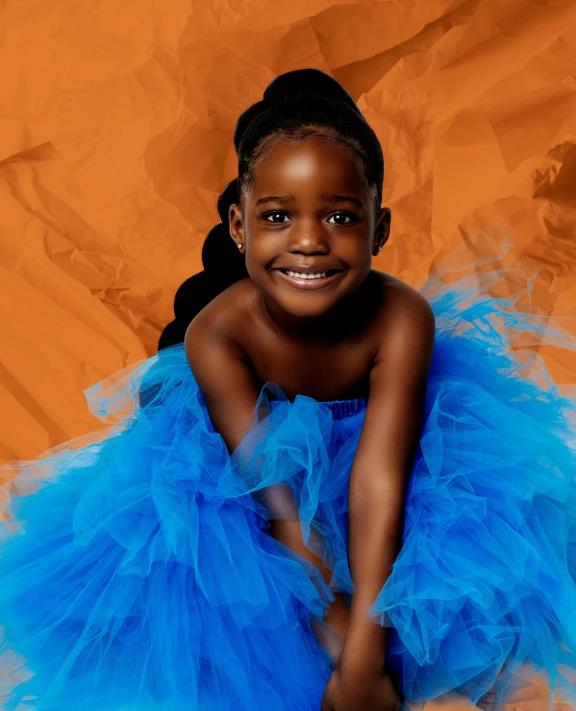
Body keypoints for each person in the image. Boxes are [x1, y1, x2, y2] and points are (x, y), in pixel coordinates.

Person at [0, 68, 575, 711]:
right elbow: (279, 504)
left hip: (376, 466)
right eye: (278, 216)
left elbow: (378, 482)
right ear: (239, 226)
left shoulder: (401, 317)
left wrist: (367, 653)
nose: (308, 241)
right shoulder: (216, 333)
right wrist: (336, 627)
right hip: (248, 482)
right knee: (221, 610)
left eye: (339, 216)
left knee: (448, 596)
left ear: (380, 229)